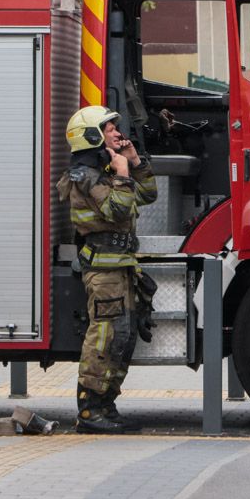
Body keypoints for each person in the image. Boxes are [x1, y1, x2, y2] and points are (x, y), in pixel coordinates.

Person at [57, 105, 157, 433]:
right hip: (102, 271)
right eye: (109, 128)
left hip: (121, 267)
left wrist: (135, 162)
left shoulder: (106, 168)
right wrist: (124, 174)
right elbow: (116, 210)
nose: (117, 132)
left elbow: (149, 195)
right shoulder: (84, 175)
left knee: (122, 338)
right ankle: (89, 411)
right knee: (104, 338)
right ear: (92, 136)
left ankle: (106, 405)